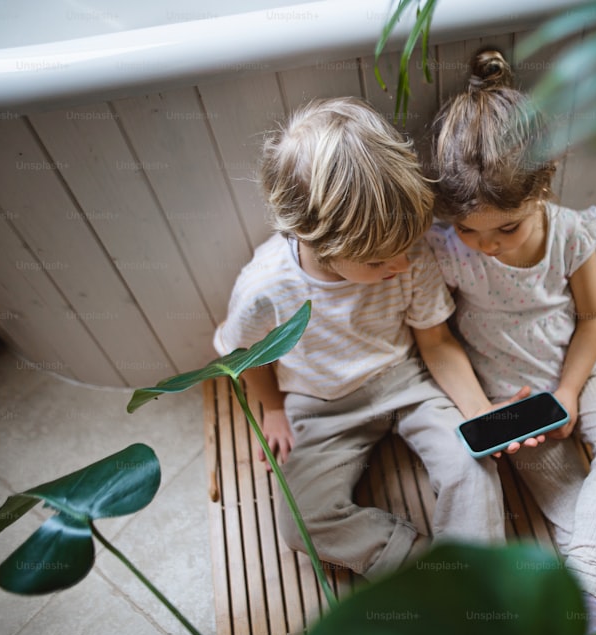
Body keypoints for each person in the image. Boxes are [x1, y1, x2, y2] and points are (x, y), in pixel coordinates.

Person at [213, 97, 537, 580]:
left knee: (471, 467)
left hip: (405, 379)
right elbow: (243, 356)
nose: (403, 266)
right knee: (303, 522)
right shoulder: (267, 289)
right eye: (380, 263)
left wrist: (477, 413)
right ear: (316, 242)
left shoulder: (407, 251)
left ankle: (479, 578)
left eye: (406, 249)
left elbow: (437, 342)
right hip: (319, 401)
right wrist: (274, 409)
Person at [424, 50, 596, 635]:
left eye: (507, 230)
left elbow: (593, 317)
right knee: (560, 489)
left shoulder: (571, 232)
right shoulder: (447, 250)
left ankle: (583, 593)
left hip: (577, 368)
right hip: (508, 389)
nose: (486, 246)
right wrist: (484, 413)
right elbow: (437, 340)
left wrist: (572, 391)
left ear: (543, 187)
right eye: (471, 230)